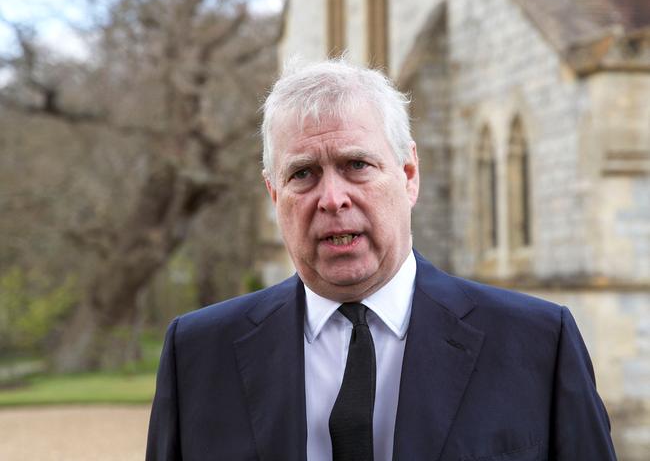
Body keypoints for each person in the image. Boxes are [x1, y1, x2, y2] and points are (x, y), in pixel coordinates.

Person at [146, 60, 617, 460]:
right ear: (274, 195)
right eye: (303, 174)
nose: (332, 199)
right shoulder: (197, 355)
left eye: (357, 165)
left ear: (409, 175)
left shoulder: (537, 344)